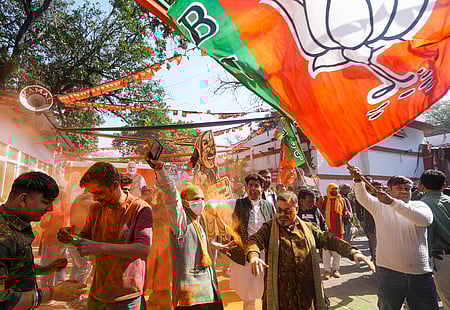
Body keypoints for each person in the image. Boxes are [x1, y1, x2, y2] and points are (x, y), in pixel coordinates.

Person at [246, 191, 374, 310]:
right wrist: (254, 256)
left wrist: (352, 252)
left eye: (287, 211)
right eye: (279, 210)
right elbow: (255, 241)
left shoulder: (308, 228)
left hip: (307, 296)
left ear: (296, 210)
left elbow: (329, 240)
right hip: (281, 297)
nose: (282, 215)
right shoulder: (269, 228)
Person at [58, 162, 153, 310]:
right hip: (98, 291)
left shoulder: (139, 208)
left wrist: (97, 247)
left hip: (127, 295)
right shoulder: (96, 208)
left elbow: (143, 248)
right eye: (92, 193)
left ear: (115, 186)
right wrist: (70, 237)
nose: (95, 198)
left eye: (99, 192)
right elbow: (85, 237)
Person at [349, 166, 438, 310]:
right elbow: (363, 198)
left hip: (420, 274)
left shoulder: (420, 205)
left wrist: (392, 202)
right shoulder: (380, 206)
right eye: (398, 188)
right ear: (389, 190)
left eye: (406, 188)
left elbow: (424, 220)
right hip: (388, 273)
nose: (403, 191)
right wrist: (358, 181)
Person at [0, 172, 86, 309]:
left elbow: (15, 267)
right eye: (46, 202)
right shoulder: (4, 237)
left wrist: (46, 269)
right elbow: (3, 300)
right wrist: (52, 293)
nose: (50, 208)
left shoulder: (19, 223)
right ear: (23, 199)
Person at [150, 159, 224, 310]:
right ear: (185, 202)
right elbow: (172, 197)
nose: (200, 202)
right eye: (195, 199)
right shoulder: (181, 222)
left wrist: (213, 244)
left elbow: (194, 244)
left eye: (202, 199)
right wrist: (160, 170)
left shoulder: (198, 221)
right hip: (190, 296)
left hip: (209, 291)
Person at [210, 173, 275, 310]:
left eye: (256, 186)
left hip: (264, 255)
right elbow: (214, 205)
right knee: (248, 292)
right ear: (246, 187)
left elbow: (274, 226)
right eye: (250, 185)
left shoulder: (269, 206)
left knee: (266, 289)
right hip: (244, 256)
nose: (253, 188)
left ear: (261, 188)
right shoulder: (237, 204)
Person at [419, 169, 450, 310]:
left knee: (447, 298)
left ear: (422, 185)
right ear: (444, 185)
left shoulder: (421, 205)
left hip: (441, 257)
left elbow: (426, 236)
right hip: (442, 256)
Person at [66, 191, 97, 309]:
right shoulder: (87, 201)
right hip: (80, 241)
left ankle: (72, 300)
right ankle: (74, 301)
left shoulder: (79, 199)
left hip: (75, 239)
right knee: (84, 268)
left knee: (77, 268)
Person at [318, 183, 347, 279]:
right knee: (326, 252)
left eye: (336, 189)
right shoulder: (325, 200)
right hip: (327, 230)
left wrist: (347, 214)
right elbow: (318, 210)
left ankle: (335, 269)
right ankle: (327, 271)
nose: (335, 190)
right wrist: (320, 202)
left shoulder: (342, 200)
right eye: (332, 189)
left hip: (339, 229)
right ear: (328, 189)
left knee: (337, 252)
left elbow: (346, 211)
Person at [353, 177, 377, 263]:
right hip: (368, 222)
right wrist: (361, 220)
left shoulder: (376, 194)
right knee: (372, 240)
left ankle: (377, 258)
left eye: (369, 182)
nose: (367, 184)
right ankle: (374, 257)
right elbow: (358, 209)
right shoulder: (360, 194)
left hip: (378, 221)